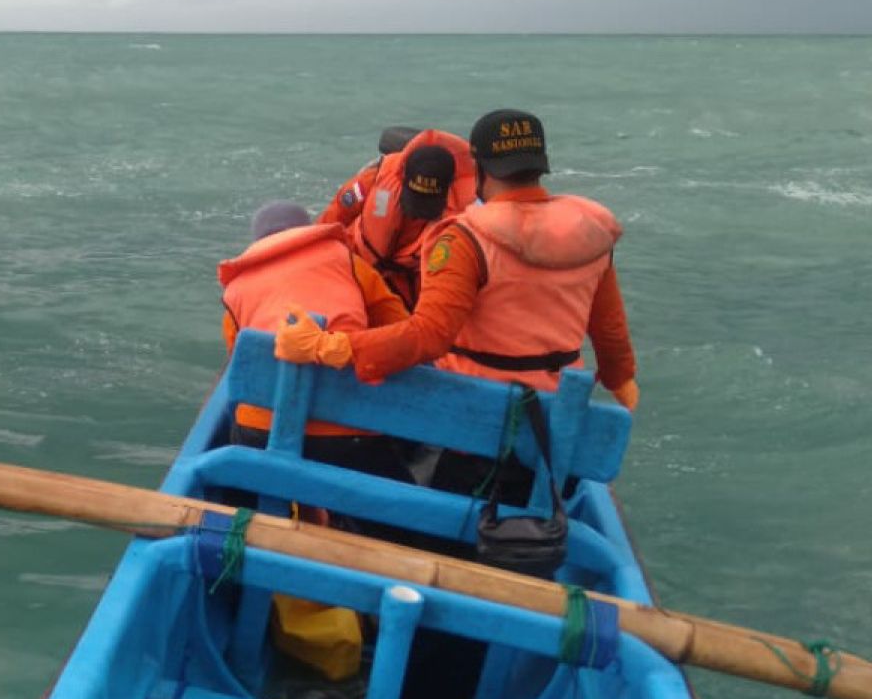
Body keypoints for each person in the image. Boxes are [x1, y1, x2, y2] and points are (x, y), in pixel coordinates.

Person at [275, 109, 639, 410]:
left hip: (472, 415)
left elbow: (430, 335)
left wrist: (330, 346)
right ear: (540, 165)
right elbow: (609, 331)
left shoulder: (465, 239)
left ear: (478, 167)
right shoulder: (593, 233)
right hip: (556, 413)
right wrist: (620, 379)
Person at [219, 200, 414, 481]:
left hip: (262, 430)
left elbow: (242, 361)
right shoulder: (346, 260)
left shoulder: (235, 289)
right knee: (397, 507)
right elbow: (399, 326)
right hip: (347, 428)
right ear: (308, 231)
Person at [317, 129, 478, 310]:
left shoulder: (469, 211)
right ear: (402, 177)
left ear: (450, 187)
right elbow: (331, 221)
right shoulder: (374, 179)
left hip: (413, 291)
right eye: (415, 198)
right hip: (354, 269)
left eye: (428, 202)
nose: (417, 212)